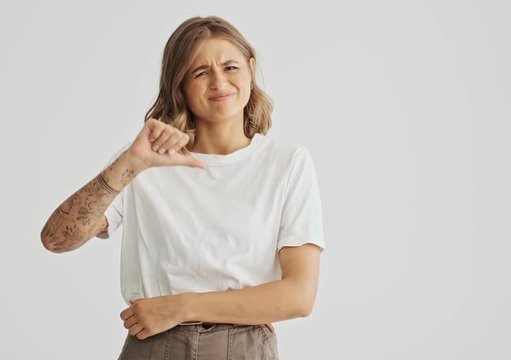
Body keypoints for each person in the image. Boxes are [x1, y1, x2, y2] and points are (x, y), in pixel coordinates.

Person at [40, 15, 325, 359]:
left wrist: (180, 307)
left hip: (242, 346)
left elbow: (298, 295)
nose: (219, 81)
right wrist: (130, 164)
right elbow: (55, 240)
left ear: (251, 70)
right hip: (155, 346)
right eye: (200, 72)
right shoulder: (144, 162)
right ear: (180, 85)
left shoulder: (287, 163)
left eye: (230, 66)